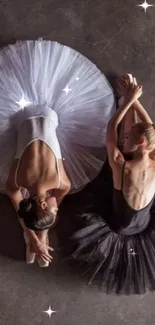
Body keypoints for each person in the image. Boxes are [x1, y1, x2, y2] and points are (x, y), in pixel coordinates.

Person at [0, 40, 115, 267]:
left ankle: (32, 239)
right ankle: (34, 239)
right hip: (25, 116)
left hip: (47, 113)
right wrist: (36, 231)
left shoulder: (62, 182)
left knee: (35, 219)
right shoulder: (17, 180)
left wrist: (36, 233)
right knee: (29, 214)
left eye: (53, 209)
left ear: (43, 204)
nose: (57, 208)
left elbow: (51, 201)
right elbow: (21, 207)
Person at [66, 73, 155, 294]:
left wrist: (129, 100)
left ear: (141, 142)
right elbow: (150, 128)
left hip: (120, 224)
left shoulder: (121, 165)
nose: (124, 140)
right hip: (143, 223)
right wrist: (134, 99)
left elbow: (111, 129)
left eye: (128, 138)